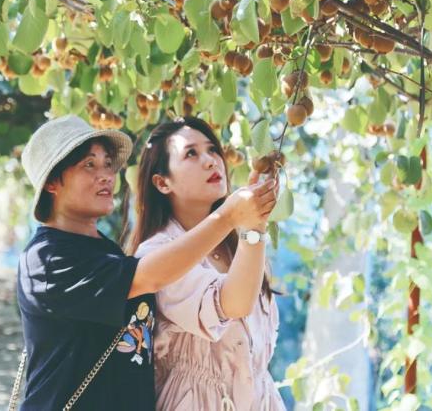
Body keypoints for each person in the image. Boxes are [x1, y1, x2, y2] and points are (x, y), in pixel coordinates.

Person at [16, 115, 278, 410]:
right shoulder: (47, 260)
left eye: (107, 164)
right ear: (52, 182)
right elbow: (149, 277)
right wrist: (228, 217)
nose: (106, 175)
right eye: (89, 165)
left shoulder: (106, 252)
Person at [127, 117, 286, 411]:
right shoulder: (157, 254)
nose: (211, 161)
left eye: (212, 149)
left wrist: (251, 223)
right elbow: (233, 304)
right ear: (162, 183)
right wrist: (254, 226)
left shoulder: (236, 246)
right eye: (191, 153)